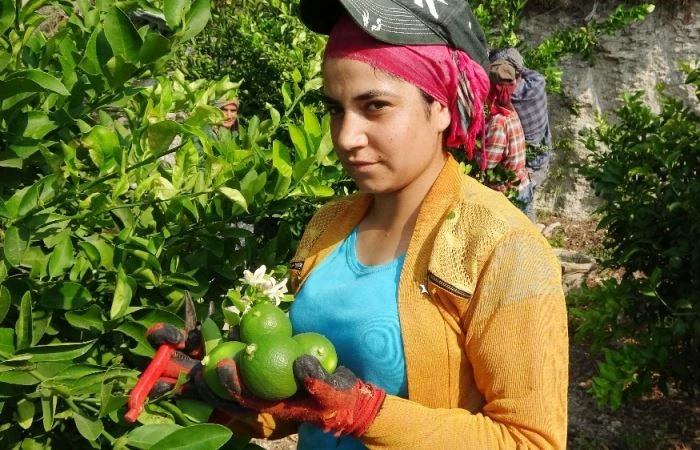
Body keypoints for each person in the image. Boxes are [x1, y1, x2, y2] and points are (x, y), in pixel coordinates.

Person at [142, 0, 568, 448]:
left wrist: (366, 413)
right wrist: (226, 394)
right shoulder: (329, 225)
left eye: (376, 106)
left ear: (441, 104)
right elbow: (300, 405)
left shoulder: (502, 246)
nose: (346, 137)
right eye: (336, 109)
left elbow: (530, 440)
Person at [489, 47, 552, 222]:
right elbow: (527, 71)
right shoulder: (537, 84)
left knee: (518, 215)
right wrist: (512, 62)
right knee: (526, 211)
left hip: (518, 172)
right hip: (540, 161)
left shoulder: (503, 103)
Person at [482, 57, 532, 207]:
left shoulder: (498, 121)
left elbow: (489, 162)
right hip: (523, 185)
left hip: (510, 194)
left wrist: (473, 150)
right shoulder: (509, 109)